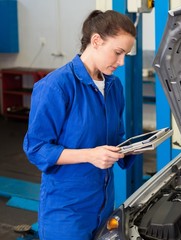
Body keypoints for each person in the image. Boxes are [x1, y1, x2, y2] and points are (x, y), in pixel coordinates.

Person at [23, 10, 136, 240]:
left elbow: (115, 135)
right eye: (118, 52)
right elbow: (36, 148)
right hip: (67, 211)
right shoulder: (56, 86)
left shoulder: (114, 87)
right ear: (96, 41)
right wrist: (90, 155)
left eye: (126, 55)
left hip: (104, 204)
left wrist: (132, 147)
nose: (122, 62)